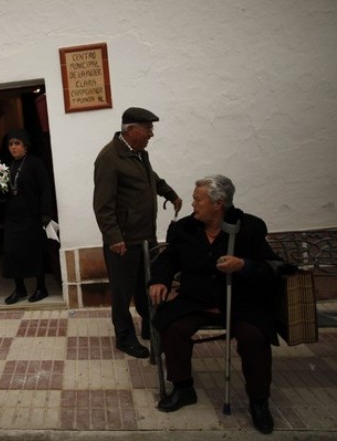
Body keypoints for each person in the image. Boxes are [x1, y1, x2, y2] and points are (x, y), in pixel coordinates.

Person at [148, 174, 281, 434]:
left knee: (254, 337)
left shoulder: (249, 228)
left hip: (240, 303)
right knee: (173, 326)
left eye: (198, 199)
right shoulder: (184, 228)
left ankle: (259, 400)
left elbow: (273, 267)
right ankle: (183, 387)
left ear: (218, 204)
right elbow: (169, 258)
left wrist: (244, 265)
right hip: (196, 301)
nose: (192, 204)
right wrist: (159, 280)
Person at [93, 107, 182, 358]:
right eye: (148, 129)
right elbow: (103, 205)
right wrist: (114, 238)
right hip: (124, 240)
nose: (151, 134)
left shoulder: (139, 153)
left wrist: (169, 193)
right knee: (122, 292)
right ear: (131, 130)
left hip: (146, 236)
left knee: (147, 285)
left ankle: (148, 327)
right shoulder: (109, 158)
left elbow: (150, 178)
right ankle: (124, 337)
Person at [1, 129, 55, 305]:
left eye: (17, 143)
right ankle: (20, 288)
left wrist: (45, 212)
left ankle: (41, 288)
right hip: (12, 217)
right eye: (10, 144)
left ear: (26, 146)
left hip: (32, 216)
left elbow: (45, 188)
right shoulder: (8, 166)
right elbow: (4, 192)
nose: (13, 147)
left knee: (34, 251)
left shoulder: (35, 164)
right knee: (12, 252)